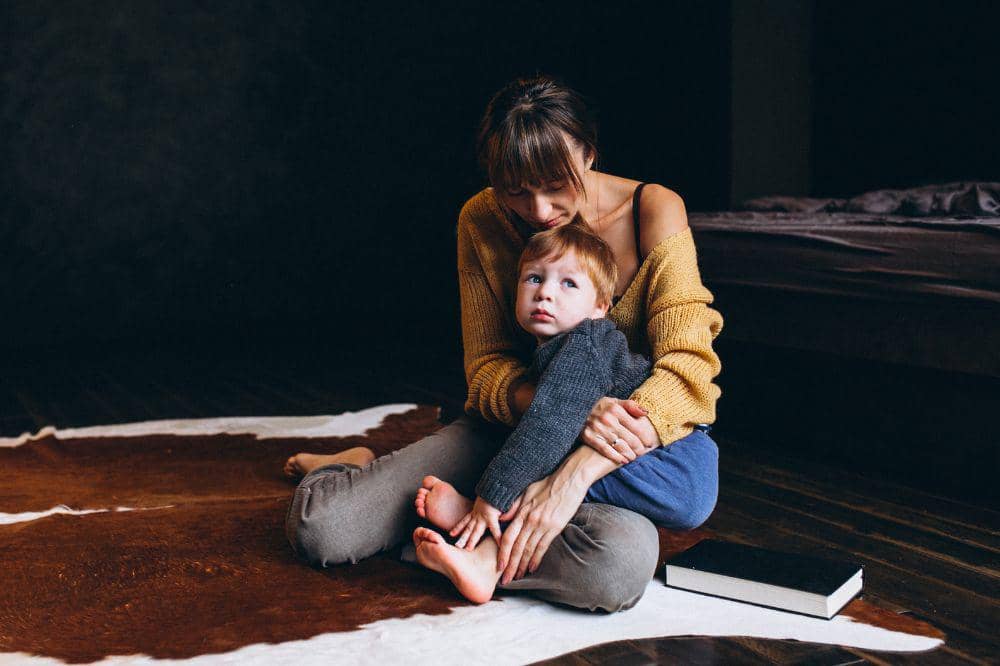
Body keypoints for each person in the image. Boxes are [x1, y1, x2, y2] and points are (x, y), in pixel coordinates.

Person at [283, 73, 723, 613]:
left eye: (555, 185)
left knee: (614, 567)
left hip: (618, 454)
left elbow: (688, 364)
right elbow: (487, 367)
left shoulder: (653, 209)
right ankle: (357, 468)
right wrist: (560, 408)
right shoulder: (481, 218)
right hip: (510, 427)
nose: (538, 209)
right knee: (323, 529)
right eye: (515, 189)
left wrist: (571, 476)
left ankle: (467, 534)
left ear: (587, 154)